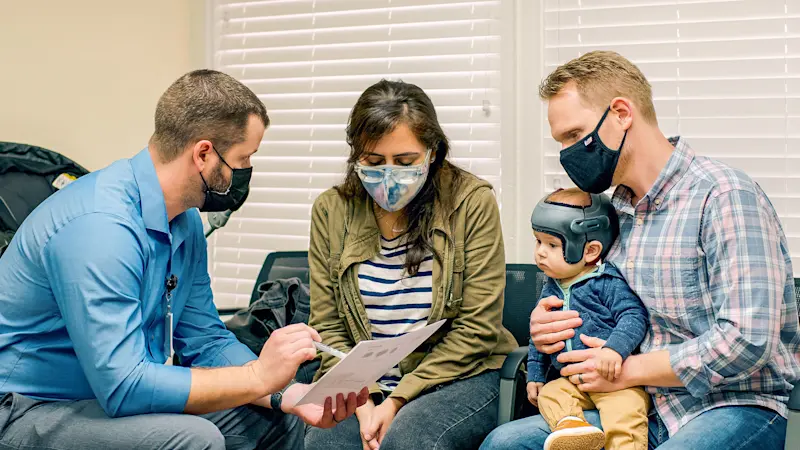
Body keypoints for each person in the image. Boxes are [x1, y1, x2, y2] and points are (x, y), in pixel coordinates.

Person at [0, 69, 366, 450]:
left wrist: (284, 394)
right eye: (244, 158)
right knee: (192, 439)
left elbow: (205, 339)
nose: (245, 172)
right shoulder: (100, 228)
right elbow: (125, 387)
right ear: (204, 154)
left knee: (272, 419)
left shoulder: (184, 219)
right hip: (26, 408)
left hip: (101, 397)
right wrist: (258, 376)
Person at [481, 51, 800, 450]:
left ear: (621, 113)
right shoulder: (610, 215)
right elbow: (596, 299)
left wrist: (627, 369)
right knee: (504, 444)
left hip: (730, 405)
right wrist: (547, 326)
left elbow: (748, 340)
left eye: (574, 135)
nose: (567, 153)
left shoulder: (724, 196)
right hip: (638, 405)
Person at [304, 79, 517, 450]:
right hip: (365, 381)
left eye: (404, 162)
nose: (389, 175)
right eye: (373, 162)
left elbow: (478, 329)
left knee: (409, 440)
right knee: (325, 442)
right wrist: (365, 399)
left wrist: (399, 398)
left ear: (432, 152)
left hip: (461, 374)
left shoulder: (471, 202)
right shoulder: (331, 209)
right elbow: (327, 325)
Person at [528, 188, 649, 450]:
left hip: (617, 383)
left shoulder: (607, 282)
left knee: (626, 416)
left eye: (551, 244)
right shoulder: (551, 288)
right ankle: (574, 430)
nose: (540, 252)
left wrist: (613, 350)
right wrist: (535, 375)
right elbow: (540, 339)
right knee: (551, 394)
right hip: (573, 383)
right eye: (537, 242)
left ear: (590, 250)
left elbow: (633, 316)